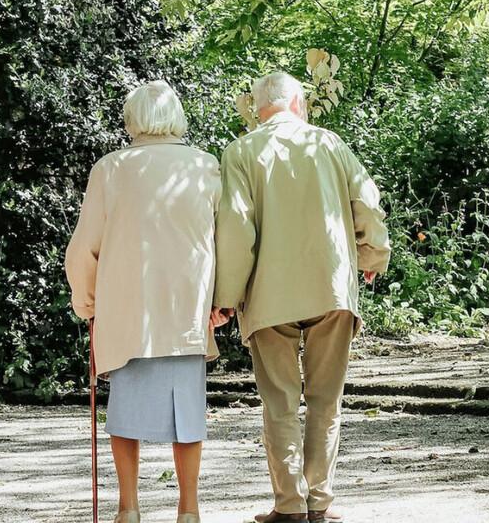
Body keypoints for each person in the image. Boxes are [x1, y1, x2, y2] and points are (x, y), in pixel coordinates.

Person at [212, 72, 391, 523]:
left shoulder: (240, 152)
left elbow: (236, 229)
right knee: (326, 400)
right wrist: (371, 256)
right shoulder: (330, 144)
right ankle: (320, 503)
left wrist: (226, 297)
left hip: (269, 296)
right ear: (298, 103)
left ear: (258, 108)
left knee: (280, 403)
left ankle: (289, 506)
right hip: (330, 288)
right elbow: (367, 205)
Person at [66, 80, 225, 523]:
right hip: (186, 308)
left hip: (127, 310)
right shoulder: (204, 166)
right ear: (176, 117)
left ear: (132, 120)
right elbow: (225, 240)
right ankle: (189, 509)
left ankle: (128, 507)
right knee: (187, 413)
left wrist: (88, 301)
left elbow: (84, 248)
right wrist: (224, 301)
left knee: (124, 413)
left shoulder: (111, 169)